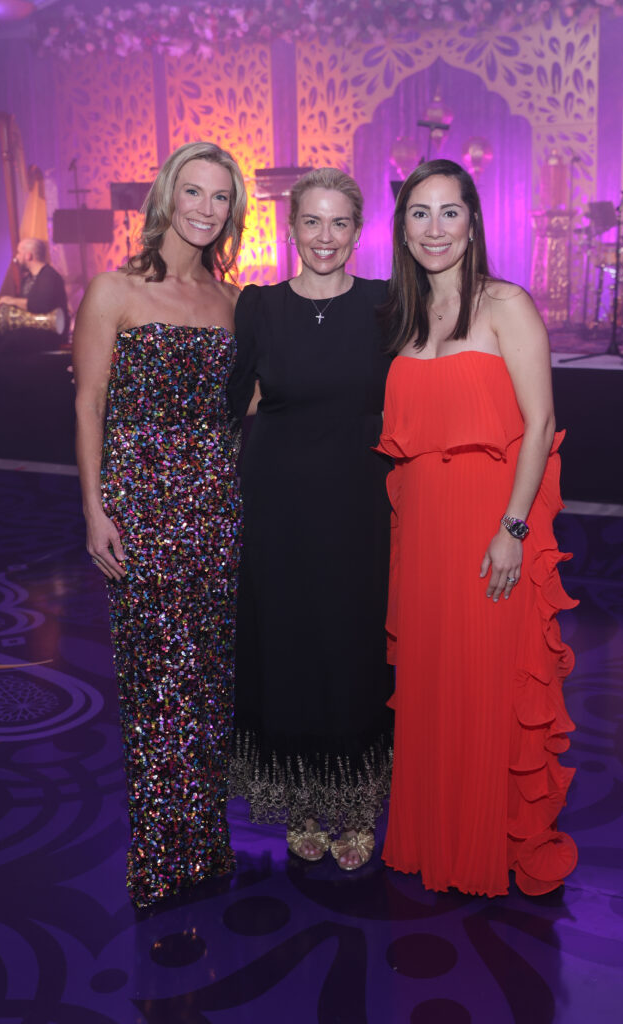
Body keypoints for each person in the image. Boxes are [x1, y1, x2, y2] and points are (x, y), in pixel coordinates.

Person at [377, 159, 578, 897]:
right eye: (419, 213)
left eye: (448, 212)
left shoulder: (504, 305)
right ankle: (434, 835)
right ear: (402, 226)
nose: (434, 228)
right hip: (423, 529)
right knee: (432, 686)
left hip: (490, 525)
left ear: (472, 222)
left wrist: (512, 529)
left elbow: (540, 424)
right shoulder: (401, 316)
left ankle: (486, 842)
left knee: (488, 682)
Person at [73, 141, 246, 907]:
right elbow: (88, 404)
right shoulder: (113, 290)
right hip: (141, 506)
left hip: (218, 505)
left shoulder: (232, 302)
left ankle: (206, 847)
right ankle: (159, 859)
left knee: (207, 681)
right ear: (167, 198)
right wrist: (93, 507)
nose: (206, 210)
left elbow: (247, 414)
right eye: (194, 193)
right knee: (155, 683)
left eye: (220, 198)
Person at [228, 167, 393, 871]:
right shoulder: (258, 306)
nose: (324, 237)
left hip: (360, 506)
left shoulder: (388, 304)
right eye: (311, 222)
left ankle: (355, 803)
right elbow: (232, 405)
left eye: (339, 223)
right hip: (279, 509)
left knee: (353, 648)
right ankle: (301, 801)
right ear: (289, 227)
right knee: (290, 647)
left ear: (358, 232)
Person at [0, 237, 69, 343]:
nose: (16, 257)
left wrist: (11, 300)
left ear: (28, 255)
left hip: (47, 335)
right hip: (29, 332)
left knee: (3, 346)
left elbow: (41, 305)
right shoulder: (27, 279)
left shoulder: (49, 276)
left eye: (19, 253)